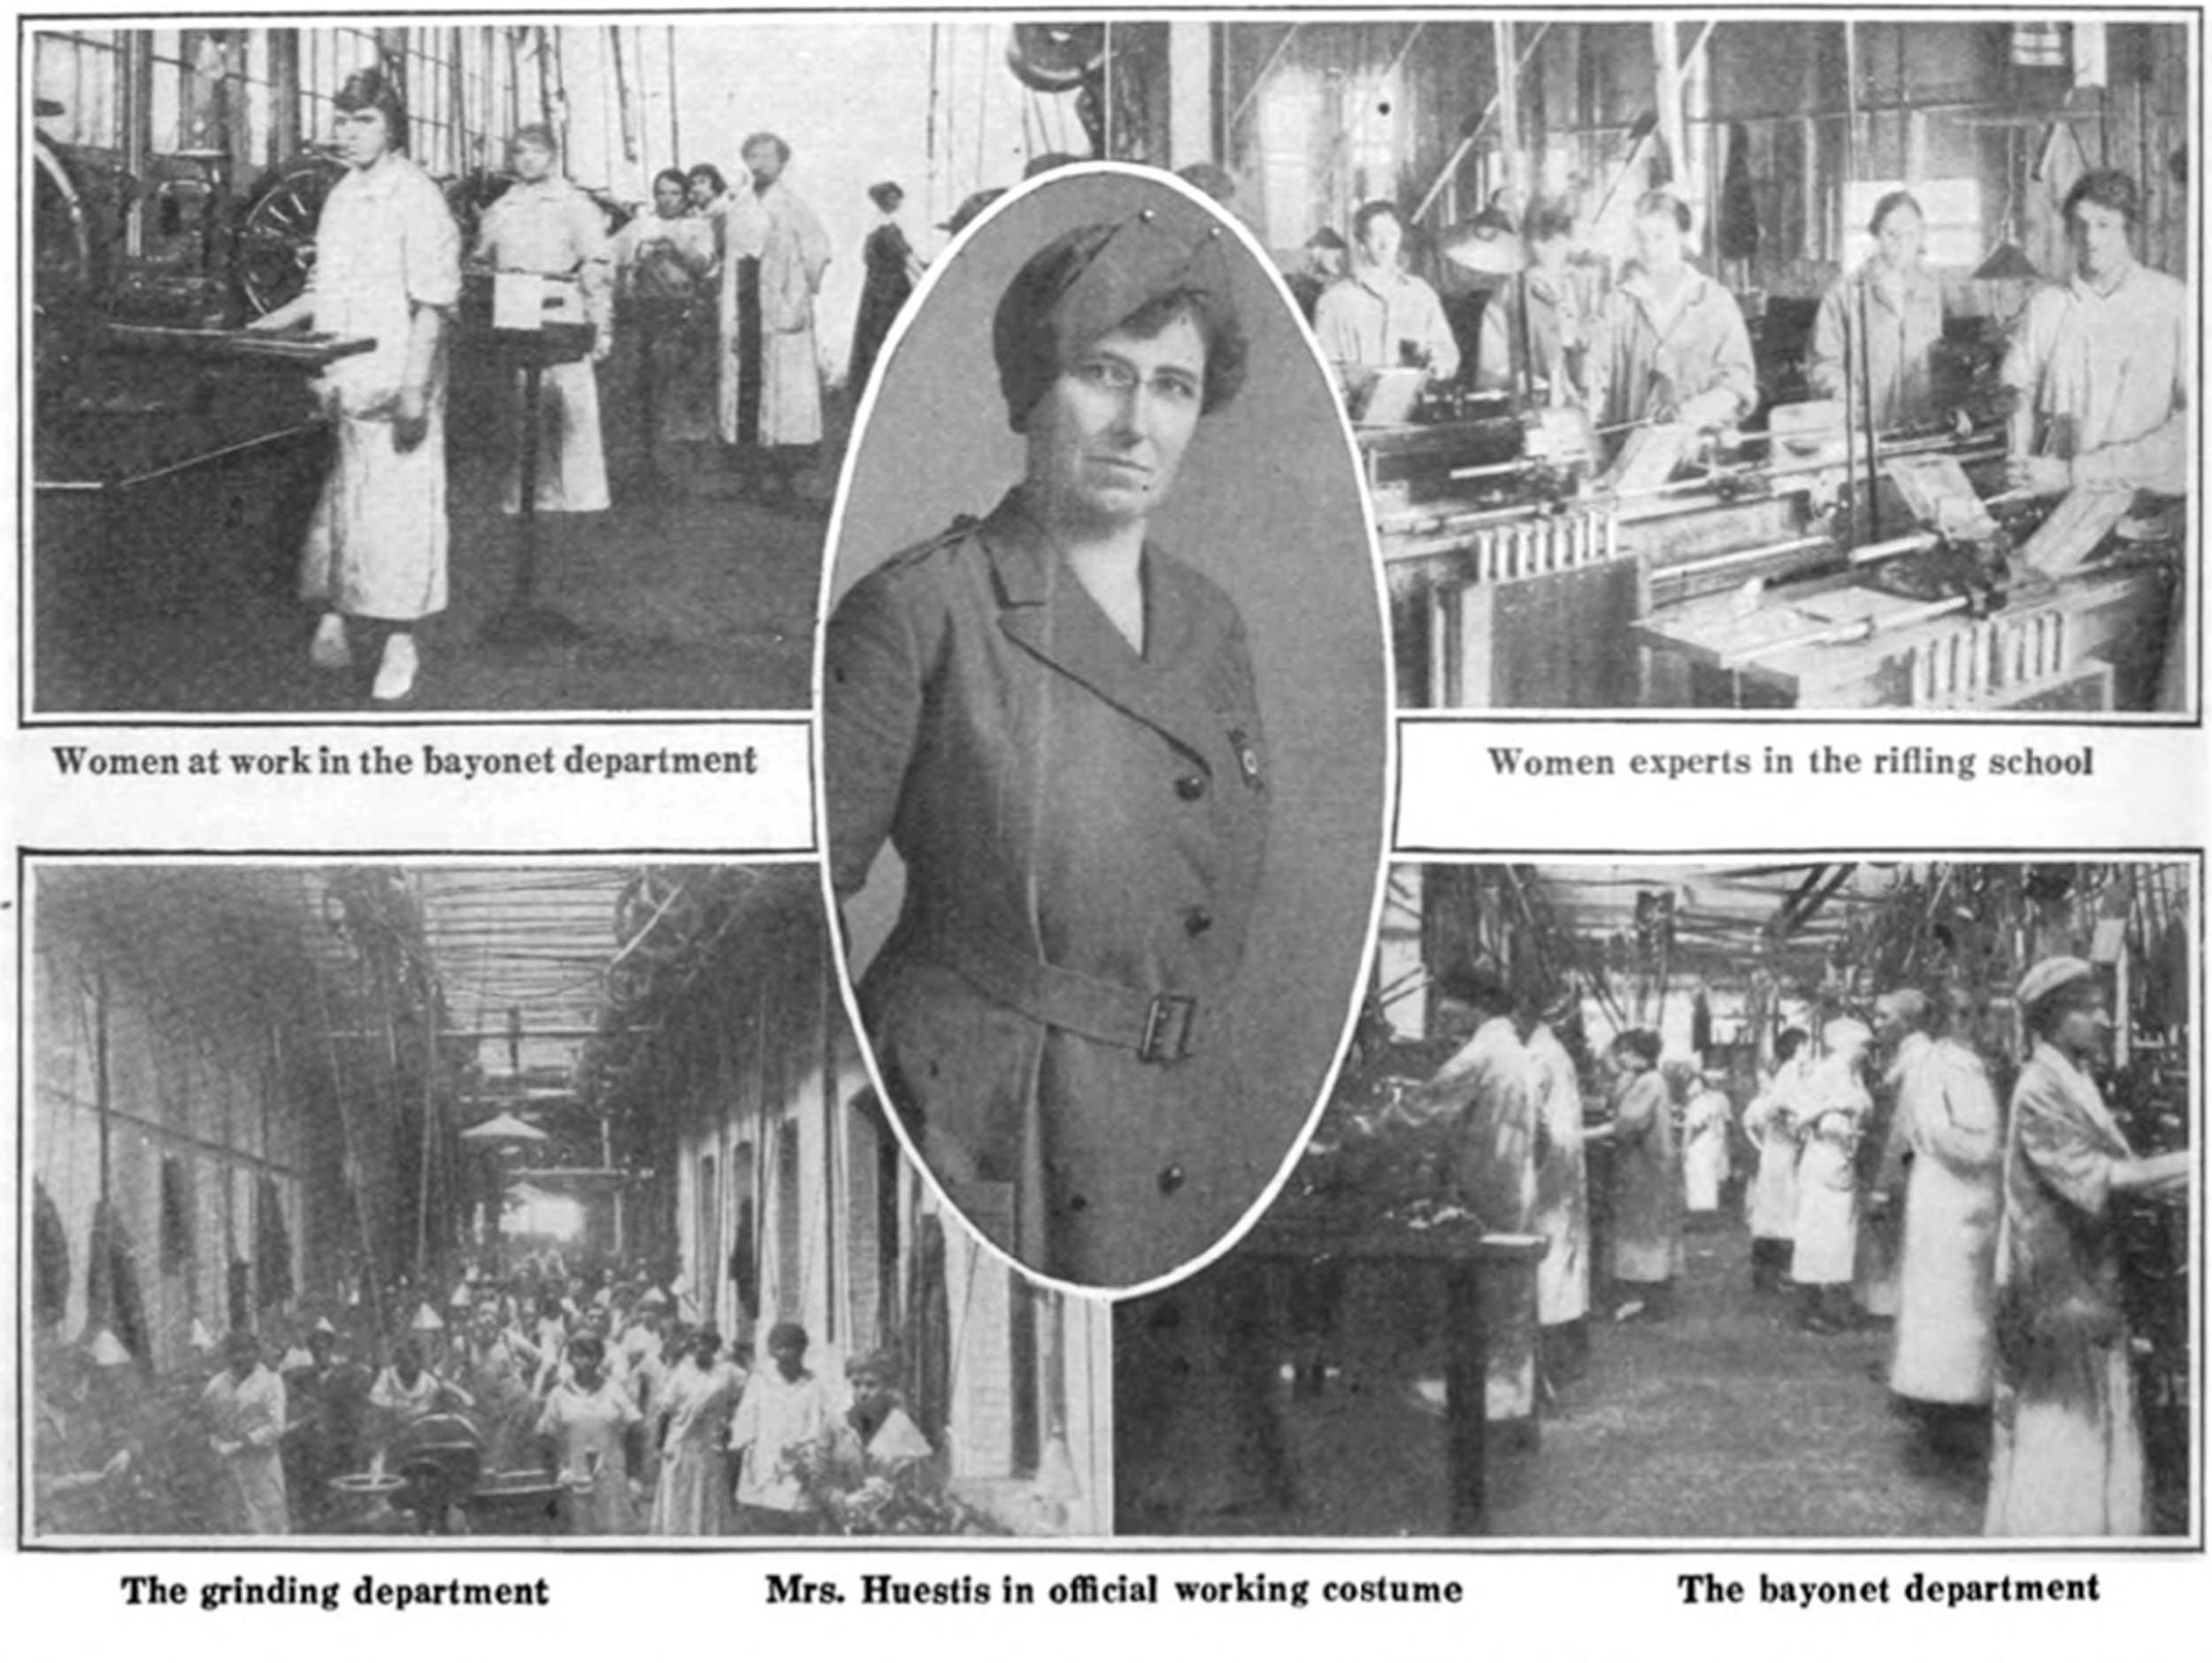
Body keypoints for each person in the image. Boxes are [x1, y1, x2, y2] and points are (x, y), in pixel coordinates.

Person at [823, 205, 1267, 1287]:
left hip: (1171, 1122)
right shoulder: (920, 609)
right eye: (1103, 373)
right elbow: (798, 892)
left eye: (1173, 387)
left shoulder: (1210, 623)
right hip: (990, 1120)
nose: (1137, 424)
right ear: (1032, 391)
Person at [247, 68, 459, 704]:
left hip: (398, 374)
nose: (347, 132)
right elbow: (323, 291)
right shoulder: (341, 194)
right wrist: (256, 328)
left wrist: (415, 390)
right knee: (341, 500)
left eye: (363, 120)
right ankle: (336, 613)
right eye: (341, 120)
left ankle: (401, 638)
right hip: (342, 375)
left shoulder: (417, 196)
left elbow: (433, 304)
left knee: (399, 507)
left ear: (393, 126)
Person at [1985, 959, 2187, 1536]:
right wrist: (2189, 1160)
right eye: (2088, 1007)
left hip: (2081, 1277)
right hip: (2056, 1283)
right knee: (2065, 1421)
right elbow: (2099, 1176)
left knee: (2094, 1415)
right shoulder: (2039, 1087)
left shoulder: (2073, 1077)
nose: (2105, 1018)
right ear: (2051, 1018)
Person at [2001, 168, 2188, 597]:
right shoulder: (2047, 306)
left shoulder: (2171, 302)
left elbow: (2195, 428)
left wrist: (2076, 473)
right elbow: (2016, 389)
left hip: (2142, 516)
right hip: (2055, 512)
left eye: (2105, 225)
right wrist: (2018, 455)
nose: (2091, 238)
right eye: (2081, 225)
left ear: (2129, 230)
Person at [1871, 986, 2003, 1457]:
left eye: (1981, 1014)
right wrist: (2004, 1153)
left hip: (1956, 1198)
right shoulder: (1940, 1066)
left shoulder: (1961, 1064)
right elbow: (1944, 1135)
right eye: (1964, 1015)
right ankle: (1950, 1411)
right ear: (1948, 1021)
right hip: (1951, 1195)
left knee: (1955, 1303)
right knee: (1953, 1304)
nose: (1975, 1024)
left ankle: (1948, 1405)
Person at [1402, 966, 1537, 1421]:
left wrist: (1350, 1140)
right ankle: (1509, 1400)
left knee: (1484, 1300)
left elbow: (1419, 1113)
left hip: (1488, 1187)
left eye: (1447, 1001)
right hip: (1511, 1181)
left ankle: (1488, 1407)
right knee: (1506, 1302)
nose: (1440, 1012)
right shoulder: (1515, 1051)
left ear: (1472, 1005)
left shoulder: (1480, 1055)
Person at [472, 123, 615, 516]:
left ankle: (582, 497)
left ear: (552, 156)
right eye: (519, 152)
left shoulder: (575, 204)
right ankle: (531, 494)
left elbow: (596, 268)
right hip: (516, 303)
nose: (528, 159)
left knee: (571, 400)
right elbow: (481, 259)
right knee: (523, 403)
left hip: (562, 301)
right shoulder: (502, 208)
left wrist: (600, 327)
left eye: (536, 151)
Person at [712, 132, 832, 503]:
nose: (759, 164)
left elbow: (818, 251)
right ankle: (748, 474)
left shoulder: (793, 206)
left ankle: (785, 479)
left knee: (785, 393)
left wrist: (796, 296)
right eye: (752, 157)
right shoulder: (738, 206)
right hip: (744, 302)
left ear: (782, 163)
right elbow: (726, 250)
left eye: (767, 157)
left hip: (780, 304)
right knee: (745, 387)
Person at [1596, 191, 1756, 436]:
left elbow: (1737, 385)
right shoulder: (1619, 305)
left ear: (1682, 236)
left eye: (1660, 237)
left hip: (1702, 451)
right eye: (1641, 238)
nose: (1650, 248)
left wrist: (1689, 415)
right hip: (1631, 452)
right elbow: (1598, 384)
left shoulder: (1714, 302)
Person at [611, 166, 719, 486]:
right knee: (644, 384)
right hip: (646, 311)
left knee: (684, 384)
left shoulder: (698, 226)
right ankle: (646, 459)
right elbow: (610, 252)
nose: (668, 199)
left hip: (684, 313)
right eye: (661, 192)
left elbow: (705, 263)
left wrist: (675, 245)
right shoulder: (641, 225)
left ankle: (685, 464)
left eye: (674, 192)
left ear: (685, 195)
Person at [1808, 190, 1947, 431]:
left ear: (1921, 236)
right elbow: (1822, 363)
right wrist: (1848, 397)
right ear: (1876, 235)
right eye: (1891, 234)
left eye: (1910, 234)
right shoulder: (1846, 292)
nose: (1902, 244)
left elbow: (1939, 356)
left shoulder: (1931, 288)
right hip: (1864, 427)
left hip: (1921, 426)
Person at [1312, 199, 1461, 392]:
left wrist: (1439, 363)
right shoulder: (1334, 301)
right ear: (1361, 242)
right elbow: (1322, 369)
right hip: (1356, 414)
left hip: (1413, 407)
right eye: (1376, 235)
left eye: (1392, 234)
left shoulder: (1421, 294)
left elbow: (1448, 353)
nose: (1385, 244)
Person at [1523, 989, 1592, 1383]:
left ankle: (1552, 1361)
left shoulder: (1539, 1057)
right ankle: (1565, 1355)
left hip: (1547, 1171)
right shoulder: (1555, 1053)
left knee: (1548, 1265)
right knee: (1563, 1261)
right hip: (1561, 1168)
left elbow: (1530, 1118)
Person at [1475, 198, 1603, 408]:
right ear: (1526, 242)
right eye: (1539, 241)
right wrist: (1526, 382)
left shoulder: (1582, 289)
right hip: (1534, 407)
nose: (1545, 250)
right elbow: (1491, 369)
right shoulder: (1510, 293)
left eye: (1556, 241)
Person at [1791, 1019, 1873, 1333]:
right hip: (1825, 1156)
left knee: (1839, 1236)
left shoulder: (1853, 1074)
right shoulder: (1828, 1072)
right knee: (1818, 1234)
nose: (1866, 1051)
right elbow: (1805, 1116)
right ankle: (1812, 1308)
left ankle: (1834, 1304)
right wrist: (1837, 1110)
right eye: (1862, 1045)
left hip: (1842, 1158)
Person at [729, 1320, 834, 1534]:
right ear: (772, 1351)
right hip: (766, 1458)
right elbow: (746, 1418)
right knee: (767, 1517)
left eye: (792, 1347)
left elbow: (822, 1420)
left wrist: (813, 1452)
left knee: (800, 1516)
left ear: (802, 1350)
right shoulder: (760, 1382)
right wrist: (744, 1445)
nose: (786, 1353)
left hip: (801, 1461)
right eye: (780, 1347)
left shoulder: (813, 1385)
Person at [1606, 1028, 1678, 1321]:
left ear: (1639, 1054)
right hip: (1644, 1166)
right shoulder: (1641, 1080)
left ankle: (1647, 1300)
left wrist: (1582, 1134)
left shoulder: (1649, 1082)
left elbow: (1627, 1123)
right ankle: (1645, 1297)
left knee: (1645, 1233)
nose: (1620, 1057)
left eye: (1625, 1051)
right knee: (1645, 1231)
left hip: (1647, 1166)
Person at [536, 1333, 641, 1535]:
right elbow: (545, 1436)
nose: (584, 1361)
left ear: (599, 1358)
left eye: (590, 1355)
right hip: (574, 1480)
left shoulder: (614, 1390)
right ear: (570, 1359)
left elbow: (635, 1429)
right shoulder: (558, 1395)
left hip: (612, 1479)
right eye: (578, 1355)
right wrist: (557, 1470)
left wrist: (634, 1476)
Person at [649, 1327, 742, 1536]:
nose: (701, 1348)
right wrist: (659, 1445)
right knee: (679, 1492)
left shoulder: (727, 1372)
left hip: (710, 1441)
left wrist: (730, 1421)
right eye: (696, 1344)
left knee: (709, 1490)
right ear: (690, 1347)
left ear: (714, 1347)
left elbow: (744, 1396)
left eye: (706, 1343)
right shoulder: (681, 1373)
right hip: (681, 1441)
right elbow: (665, 1411)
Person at [1741, 1028, 1809, 1292]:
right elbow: (1779, 1105)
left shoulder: (1786, 1071)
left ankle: (1766, 1274)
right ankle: (1780, 1273)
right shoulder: (1791, 1070)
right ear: (1795, 1048)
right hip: (1782, 1150)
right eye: (1804, 1046)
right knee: (1782, 1211)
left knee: (1772, 1212)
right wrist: (1800, 1118)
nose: (1807, 1053)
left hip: (1779, 1149)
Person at [204, 1330, 289, 1535]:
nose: (241, 1358)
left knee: (270, 1520)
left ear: (256, 1353)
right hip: (229, 1464)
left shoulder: (271, 1382)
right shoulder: (216, 1386)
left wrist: (242, 1444)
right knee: (235, 1521)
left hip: (262, 1462)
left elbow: (276, 1426)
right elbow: (208, 1423)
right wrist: (217, 1445)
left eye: (246, 1351)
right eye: (235, 1352)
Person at [849, 181, 922, 397]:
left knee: (874, 334)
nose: (897, 201)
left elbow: (865, 258)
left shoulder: (873, 228)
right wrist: (926, 278)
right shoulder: (887, 229)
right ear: (884, 201)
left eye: (898, 197)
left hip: (874, 289)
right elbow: (907, 257)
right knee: (892, 332)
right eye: (893, 198)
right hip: (891, 290)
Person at [451, 1302, 541, 1471]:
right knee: (487, 1462)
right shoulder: (463, 1344)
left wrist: (535, 1392)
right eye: (484, 1313)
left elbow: (543, 1361)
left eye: (493, 1315)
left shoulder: (509, 1339)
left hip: (515, 1408)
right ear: (474, 1317)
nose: (488, 1319)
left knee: (511, 1461)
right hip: (484, 1412)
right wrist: (462, 1394)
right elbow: (441, 1376)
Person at [1681, 1066, 1733, 1224]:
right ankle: (1697, 1214)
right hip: (1699, 1144)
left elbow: (1724, 1121)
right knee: (1697, 1175)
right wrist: (1685, 1147)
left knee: (1709, 1175)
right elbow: (1689, 1127)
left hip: (1711, 1141)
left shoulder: (1718, 1099)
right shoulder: (1695, 1103)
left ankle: (1708, 1214)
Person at [1284, 227, 1348, 324]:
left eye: (1338, 252)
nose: (1337, 257)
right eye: (1333, 251)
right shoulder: (1306, 286)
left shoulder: (1335, 282)